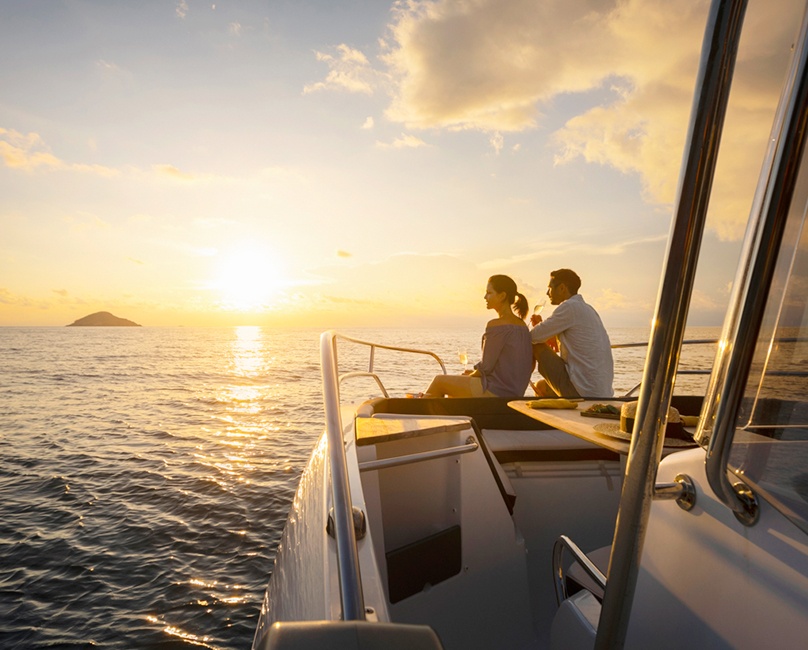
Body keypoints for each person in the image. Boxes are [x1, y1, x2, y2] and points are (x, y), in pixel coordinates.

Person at [423, 275, 533, 398]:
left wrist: (472, 376)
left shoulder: (496, 325)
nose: (485, 297)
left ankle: (417, 414)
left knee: (439, 381)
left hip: (496, 390)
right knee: (457, 388)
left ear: (502, 296)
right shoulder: (522, 326)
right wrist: (471, 376)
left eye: (489, 293)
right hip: (514, 391)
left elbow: (486, 368)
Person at [529, 268, 613, 398]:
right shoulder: (588, 309)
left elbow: (532, 337)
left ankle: (513, 384)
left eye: (550, 288)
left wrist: (538, 330)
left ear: (562, 288)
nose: (547, 293)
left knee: (535, 345)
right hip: (601, 392)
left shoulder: (569, 307)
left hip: (582, 393)